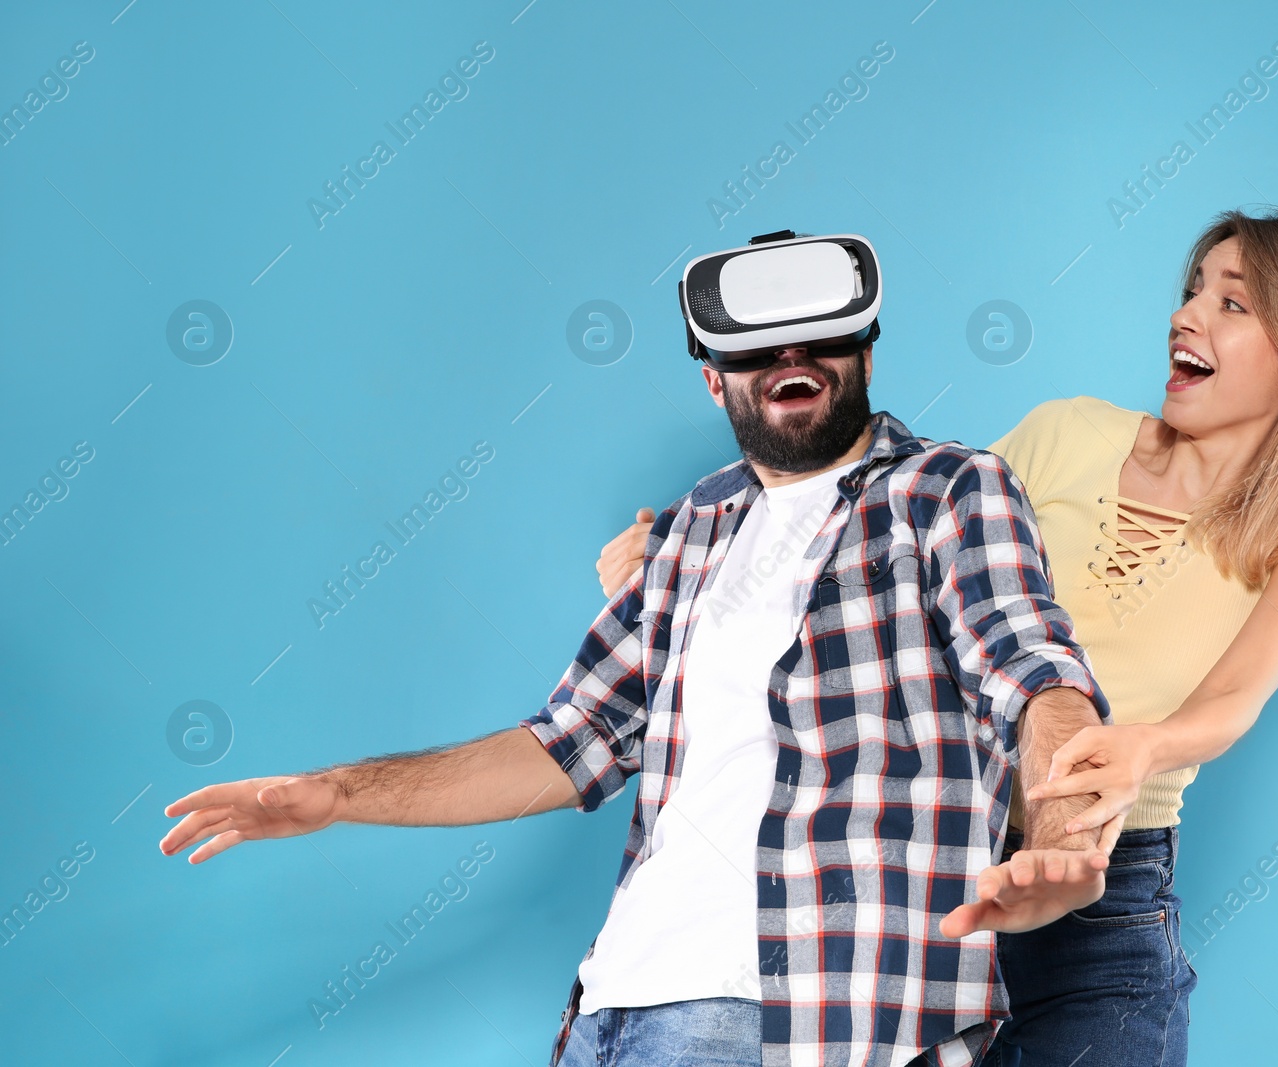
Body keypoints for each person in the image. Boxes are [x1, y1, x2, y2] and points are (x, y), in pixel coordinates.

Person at [159, 231, 1127, 1067]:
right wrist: (333, 795)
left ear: (866, 353)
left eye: (821, 335)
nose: (791, 352)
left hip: (806, 1015)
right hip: (613, 1005)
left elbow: (1029, 665)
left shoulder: (947, 490)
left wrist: (1062, 829)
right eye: (755, 347)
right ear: (715, 381)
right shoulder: (694, 529)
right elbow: (565, 741)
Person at [594, 210, 1278, 1066]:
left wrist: (1143, 749)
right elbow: (884, 538)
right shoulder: (1069, 433)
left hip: (1105, 906)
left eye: (1233, 304)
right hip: (931, 877)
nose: (1188, 316)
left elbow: (1231, 698)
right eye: (1190, 291)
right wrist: (696, 559)